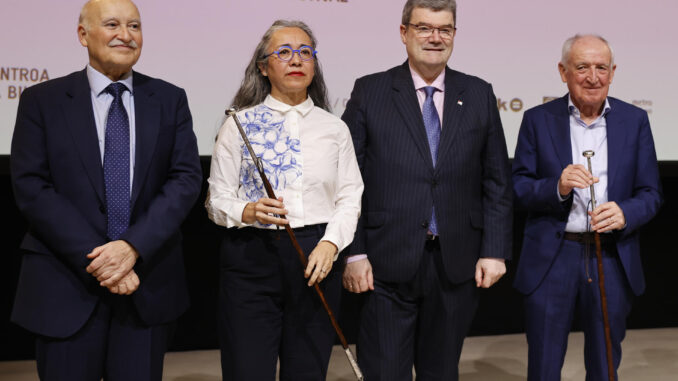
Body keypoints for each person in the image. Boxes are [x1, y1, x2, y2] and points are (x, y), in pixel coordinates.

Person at [9, 0, 202, 379]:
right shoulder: (41, 101)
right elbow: (32, 187)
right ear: (83, 35)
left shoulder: (169, 99)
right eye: (112, 24)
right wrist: (103, 262)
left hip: (145, 284)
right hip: (65, 284)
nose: (125, 35)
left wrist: (132, 247)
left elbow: (184, 179)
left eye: (134, 26)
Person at [341, 0, 512, 379]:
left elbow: (497, 179)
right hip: (384, 262)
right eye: (424, 28)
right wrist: (354, 253)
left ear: (454, 34)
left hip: (456, 262)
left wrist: (495, 250)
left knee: (441, 372)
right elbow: (345, 178)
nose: (435, 38)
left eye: (445, 29)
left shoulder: (479, 92)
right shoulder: (370, 91)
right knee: (385, 372)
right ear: (404, 33)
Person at [205, 19, 363, 381]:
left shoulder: (334, 128)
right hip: (251, 258)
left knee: (307, 371)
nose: (297, 60)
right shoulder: (238, 124)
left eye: (305, 53)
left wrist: (331, 244)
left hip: (316, 257)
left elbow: (350, 196)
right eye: (285, 52)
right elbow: (216, 200)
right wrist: (246, 209)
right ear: (263, 66)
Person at [512, 34, 663, 380]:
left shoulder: (634, 119)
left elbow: (651, 192)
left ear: (613, 72)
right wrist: (557, 187)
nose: (593, 77)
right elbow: (518, 188)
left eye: (601, 68)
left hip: (611, 256)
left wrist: (626, 213)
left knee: (605, 364)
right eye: (582, 67)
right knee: (545, 366)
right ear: (563, 71)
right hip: (554, 257)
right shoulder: (538, 120)